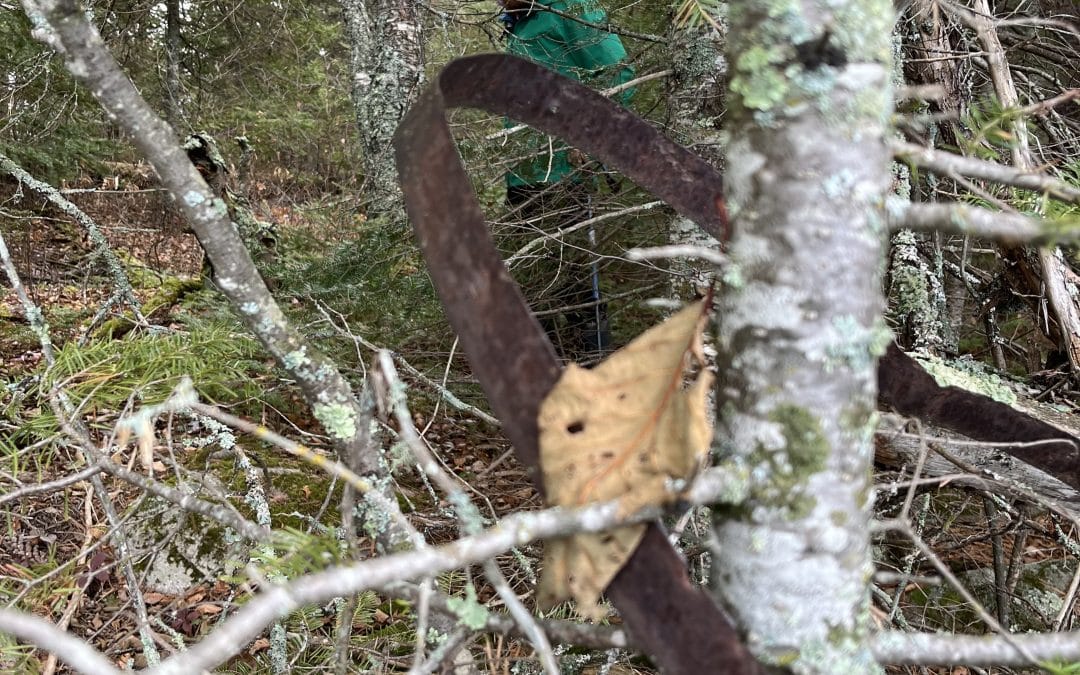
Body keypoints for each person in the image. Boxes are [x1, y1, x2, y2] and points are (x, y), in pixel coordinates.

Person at [497, 0, 634, 362]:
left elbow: (619, 75)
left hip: (566, 176)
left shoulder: (573, 9)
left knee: (577, 288)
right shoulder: (519, 23)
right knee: (533, 283)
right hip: (524, 176)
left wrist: (588, 137)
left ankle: (594, 384)